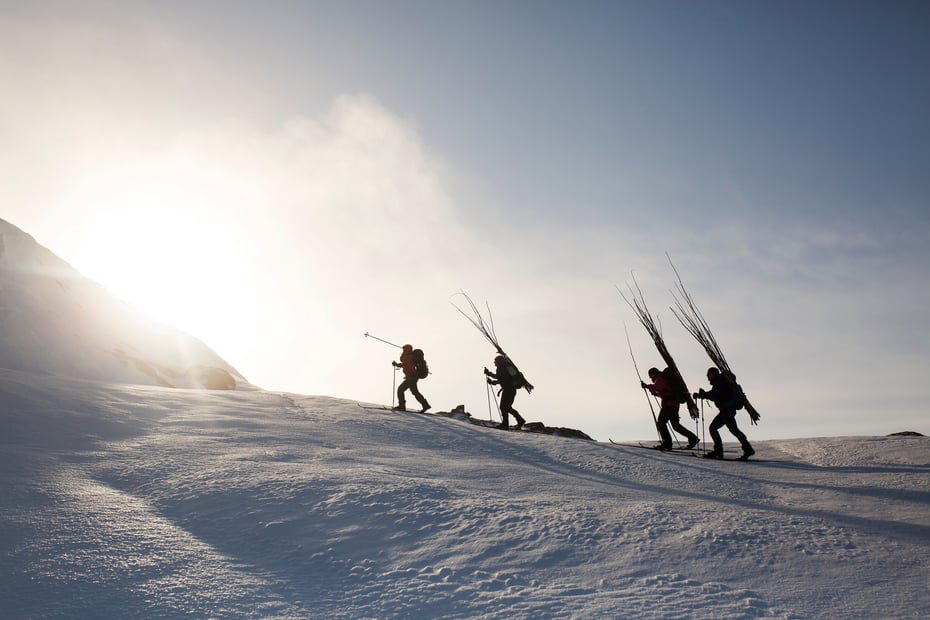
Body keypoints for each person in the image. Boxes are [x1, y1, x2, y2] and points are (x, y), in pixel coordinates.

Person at [693, 367, 754, 460]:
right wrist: (703, 395)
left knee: (719, 429)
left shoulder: (719, 382)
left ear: (713, 374)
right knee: (729, 429)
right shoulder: (720, 382)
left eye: (708, 375)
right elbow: (714, 394)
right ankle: (745, 449)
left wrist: (702, 395)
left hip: (727, 410)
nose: (707, 377)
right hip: (727, 410)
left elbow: (714, 394)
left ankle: (745, 449)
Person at [642, 367, 699, 451]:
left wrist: (646, 386)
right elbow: (666, 392)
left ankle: (667, 444)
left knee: (661, 422)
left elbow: (657, 387)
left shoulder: (660, 379)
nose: (651, 378)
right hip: (675, 405)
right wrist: (656, 394)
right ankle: (693, 438)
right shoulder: (665, 378)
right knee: (675, 426)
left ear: (654, 373)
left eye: (651, 376)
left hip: (668, 405)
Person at [484, 354, 527, 430]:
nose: (494, 363)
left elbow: (501, 378)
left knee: (504, 407)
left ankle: (505, 424)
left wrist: (489, 375)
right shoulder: (504, 367)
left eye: (495, 361)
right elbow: (502, 379)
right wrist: (492, 380)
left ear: (499, 362)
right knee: (507, 407)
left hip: (508, 390)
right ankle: (519, 420)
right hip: (510, 390)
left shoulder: (502, 368)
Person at [392, 344, 430, 413]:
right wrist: (397, 364)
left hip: (411, 377)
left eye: (404, 349)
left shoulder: (408, 356)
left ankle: (402, 406)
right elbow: (406, 364)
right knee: (413, 392)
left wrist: (397, 364)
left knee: (401, 390)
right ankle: (425, 405)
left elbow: (406, 364)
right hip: (412, 377)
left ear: (406, 349)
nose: (403, 351)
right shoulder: (410, 356)